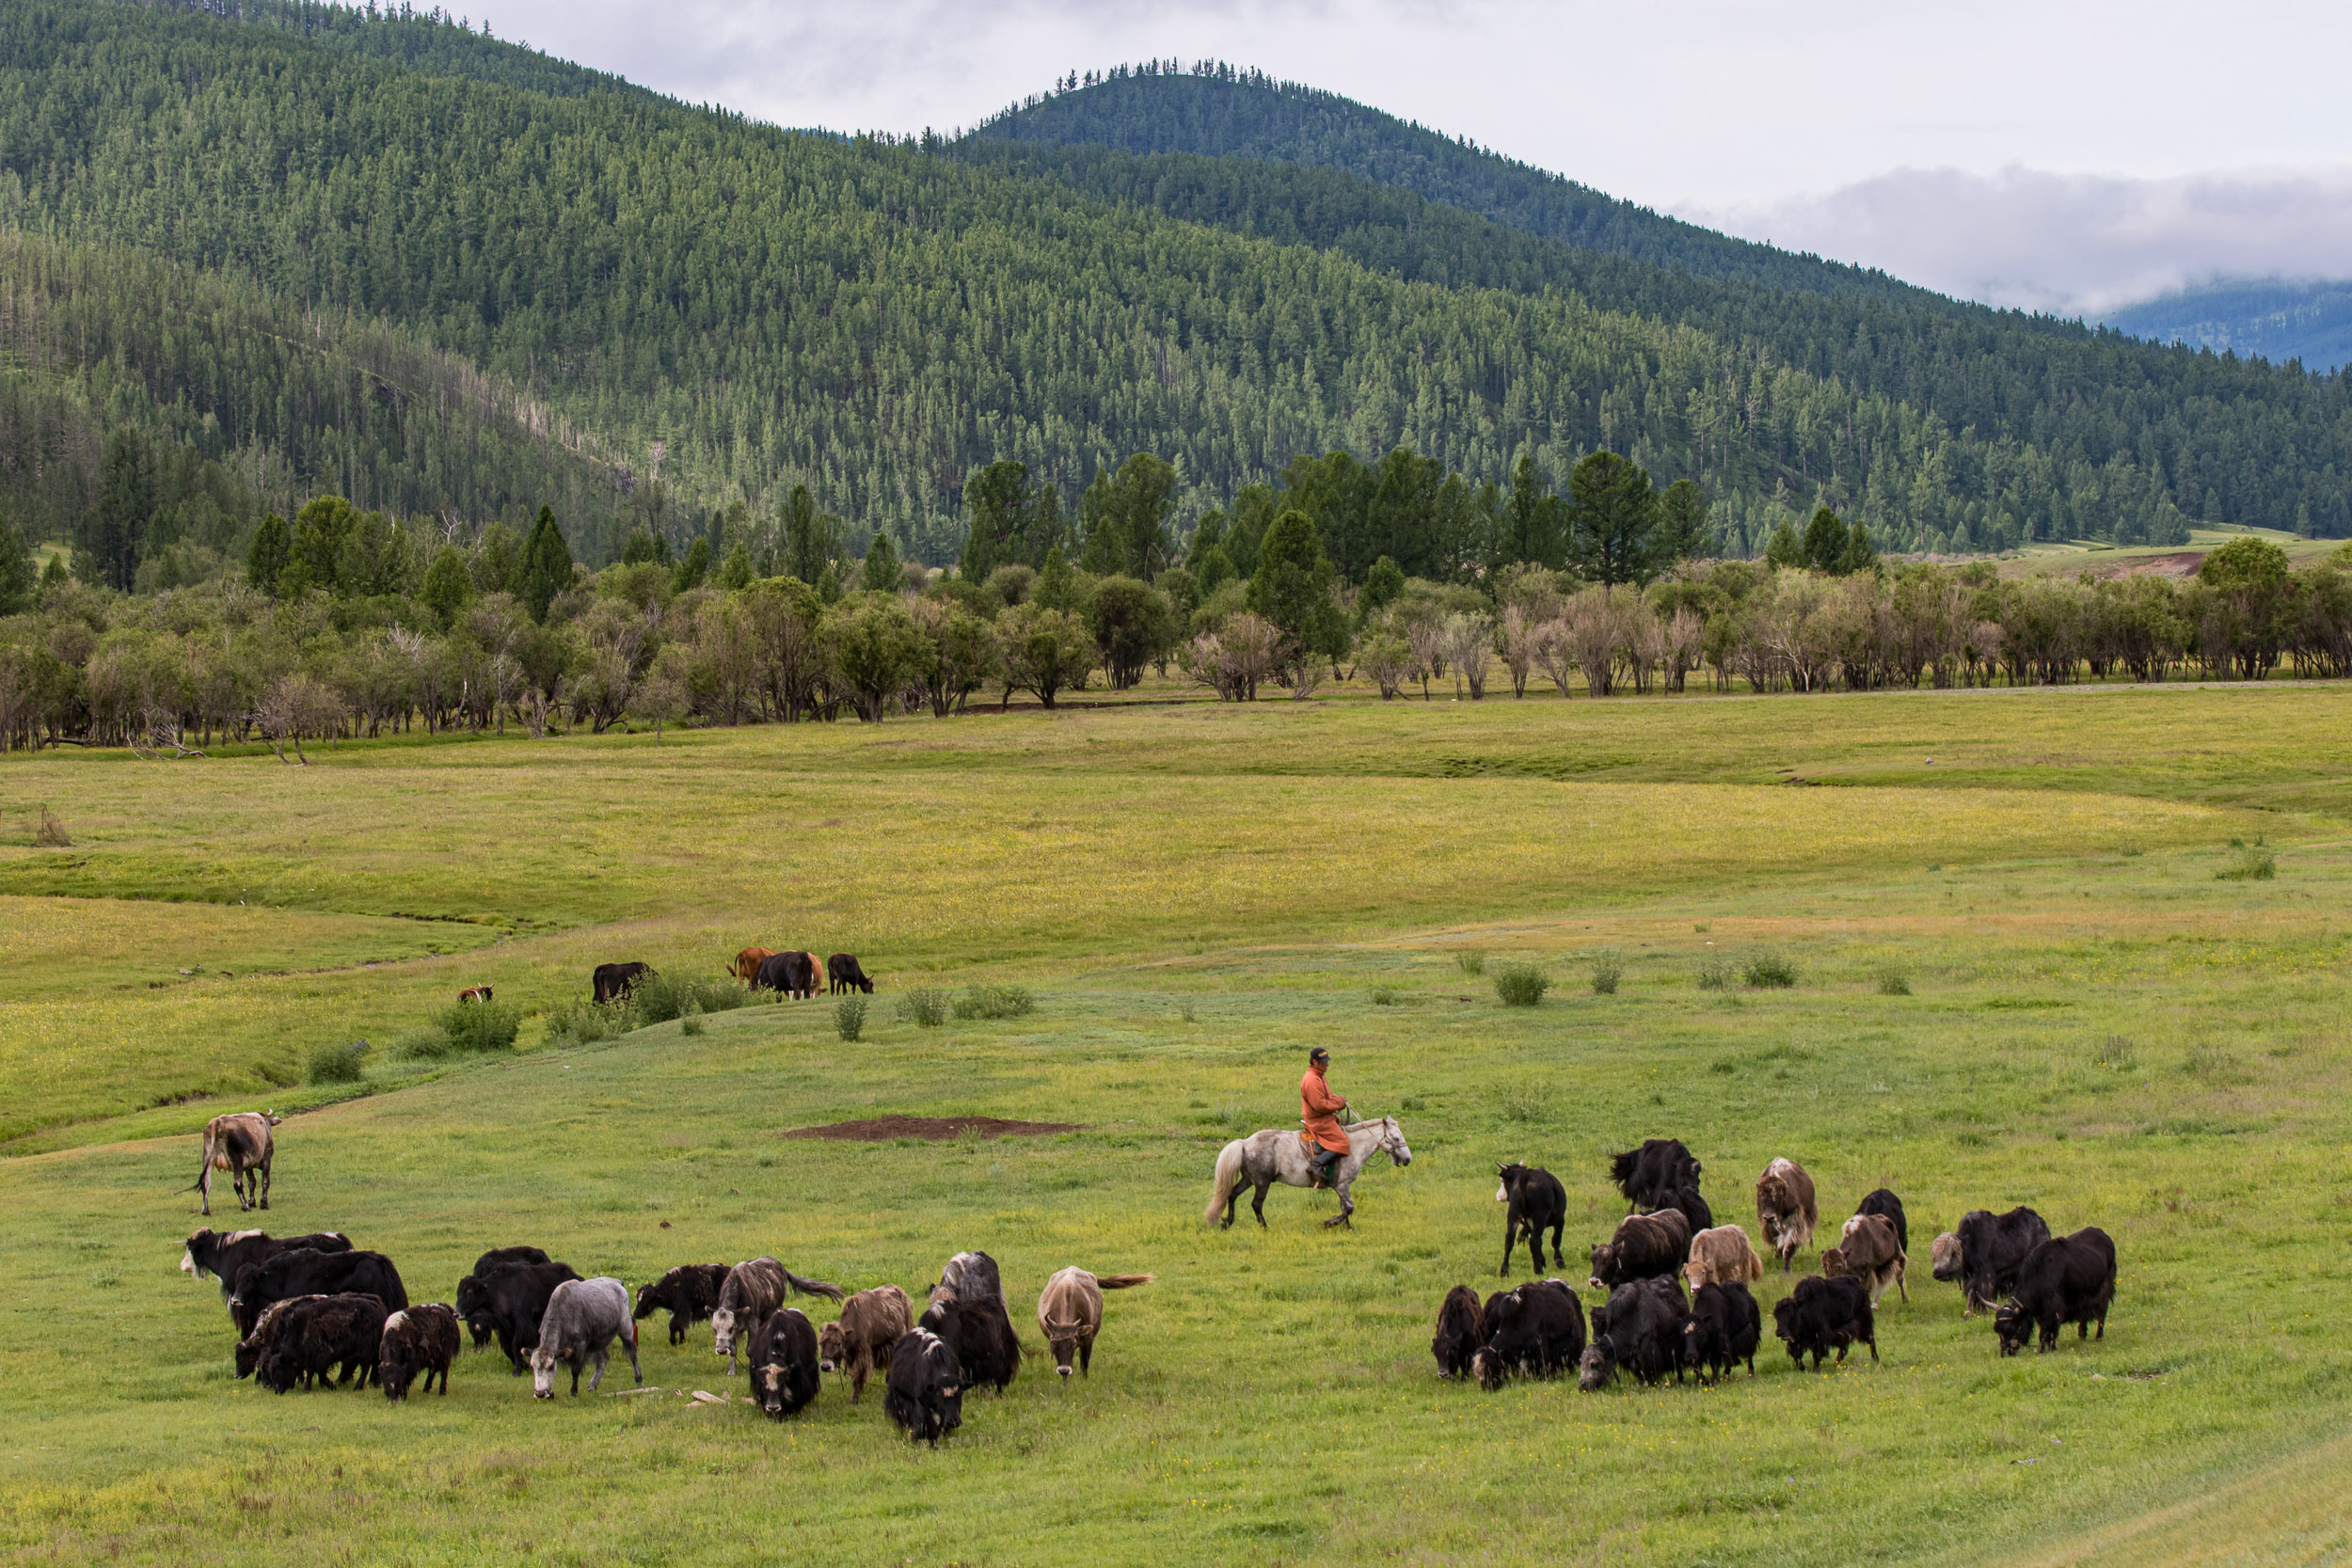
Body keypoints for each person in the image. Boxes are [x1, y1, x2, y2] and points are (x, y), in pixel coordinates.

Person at [1299, 1047, 1350, 1190]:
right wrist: (1339, 1104)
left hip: (1323, 1117)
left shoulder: (1319, 1076)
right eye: (1323, 1062)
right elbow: (1320, 1105)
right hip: (1318, 1120)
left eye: (1326, 1061)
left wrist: (1339, 1099)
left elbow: (1328, 1096)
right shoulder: (1312, 1080)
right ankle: (1316, 1166)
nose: (1326, 1064)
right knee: (1342, 1142)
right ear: (1314, 1062)